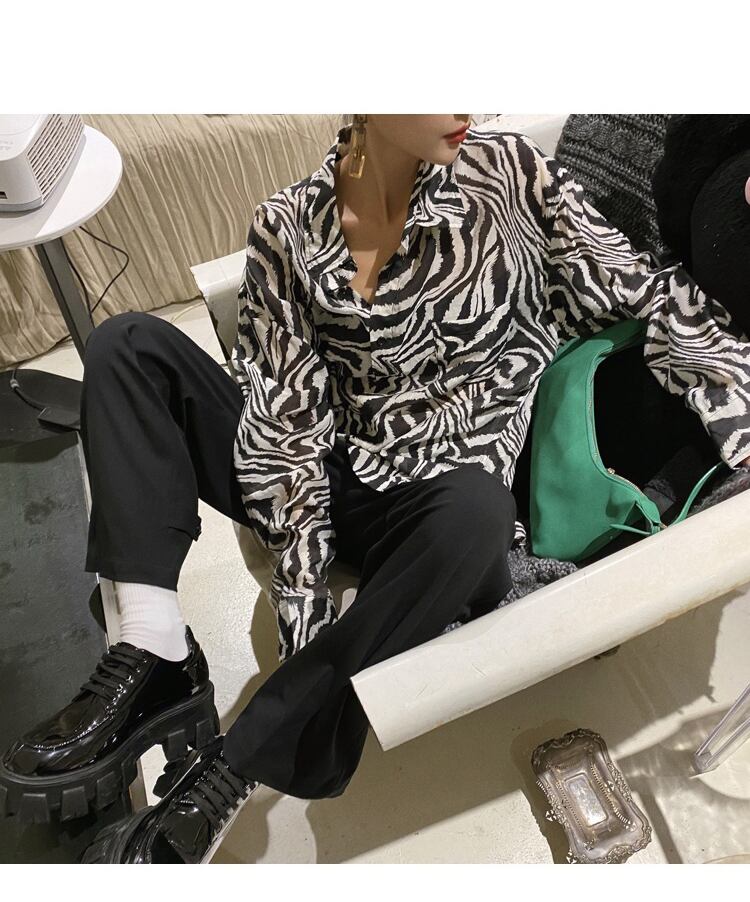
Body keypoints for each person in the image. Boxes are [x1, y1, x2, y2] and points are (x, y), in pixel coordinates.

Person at [2, 114, 750, 864]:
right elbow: (283, 418)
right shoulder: (288, 226)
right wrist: (303, 581)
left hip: (447, 512)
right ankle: (154, 646)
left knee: (474, 513)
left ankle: (241, 762)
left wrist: (731, 389)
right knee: (128, 345)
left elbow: (632, 286)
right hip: (335, 473)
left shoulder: (509, 171)